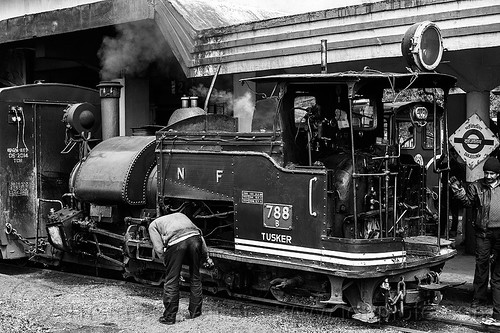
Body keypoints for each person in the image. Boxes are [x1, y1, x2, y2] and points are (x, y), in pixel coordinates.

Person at [450, 156, 500, 317]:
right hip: (483, 232)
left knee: (498, 268)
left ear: (498, 174)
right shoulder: (477, 186)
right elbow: (467, 202)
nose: (489, 176)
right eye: (487, 173)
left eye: (492, 173)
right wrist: (458, 190)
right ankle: (479, 299)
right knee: (482, 265)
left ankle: (496, 300)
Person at [148, 212, 213, 325]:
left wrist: (168, 263)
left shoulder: (153, 225)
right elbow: (200, 236)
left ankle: (169, 317)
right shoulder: (181, 215)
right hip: (195, 239)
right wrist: (207, 257)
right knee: (195, 277)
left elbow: (158, 248)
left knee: (172, 280)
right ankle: (195, 313)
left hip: (176, 242)